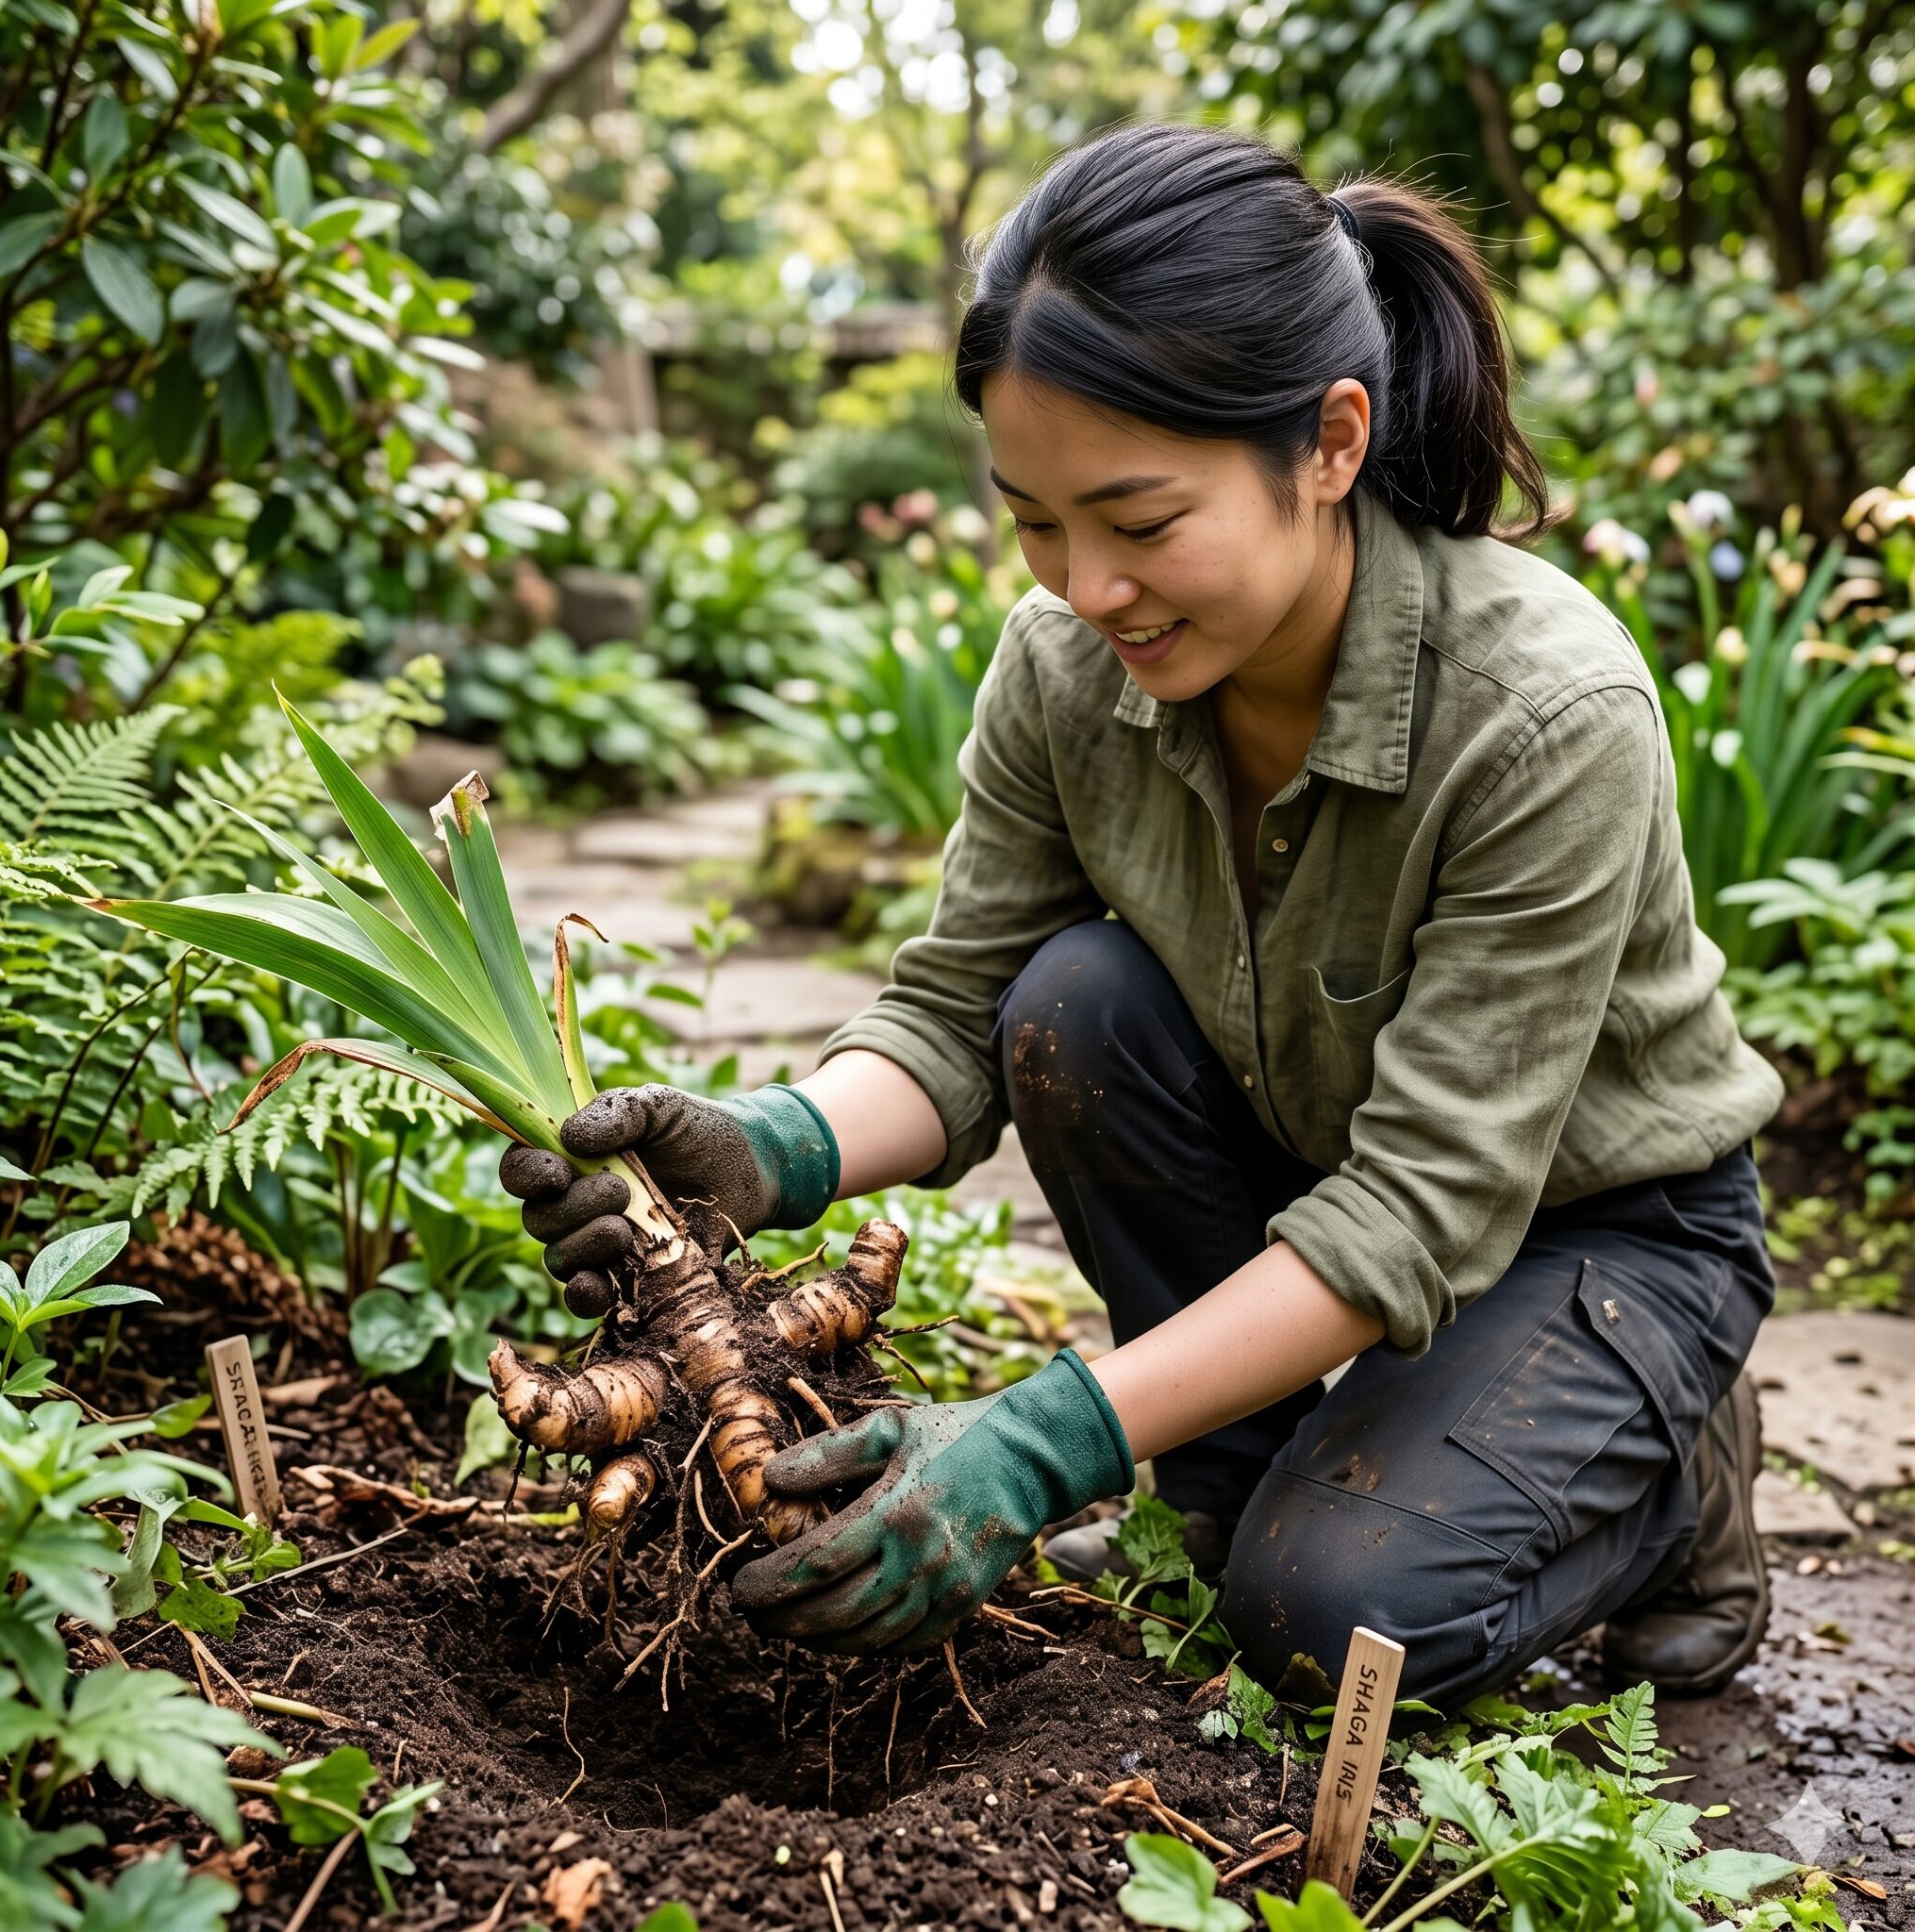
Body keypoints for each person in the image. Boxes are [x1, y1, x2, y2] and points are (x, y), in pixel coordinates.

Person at [506, 123, 1785, 1708]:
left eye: (1141, 519)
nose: (1084, 584)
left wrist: (1050, 1439)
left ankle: (1667, 1485)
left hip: (1603, 1234)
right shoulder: (1066, 669)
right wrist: (767, 1148)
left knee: (1330, 1617)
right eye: (1035, 520)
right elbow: (957, 1011)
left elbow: (1422, 1203)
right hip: (1338, 1176)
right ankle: (1234, 1484)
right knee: (1074, 1001)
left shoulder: (1542, 712)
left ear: (1330, 442)